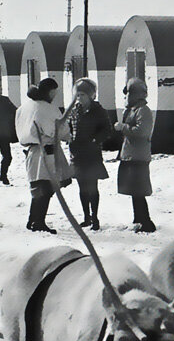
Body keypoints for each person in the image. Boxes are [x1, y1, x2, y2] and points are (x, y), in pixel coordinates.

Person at [15, 77, 74, 233]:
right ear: (50, 91)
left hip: (31, 150)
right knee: (46, 187)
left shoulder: (23, 107)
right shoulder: (46, 108)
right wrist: (68, 136)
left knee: (37, 186)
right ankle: (38, 221)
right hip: (46, 151)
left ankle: (32, 219)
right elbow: (57, 130)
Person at [67, 77, 110, 231]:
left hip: (91, 154)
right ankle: (86, 217)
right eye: (77, 95)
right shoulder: (74, 111)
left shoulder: (99, 111)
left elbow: (106, 130)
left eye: (83, 95)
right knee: (82, 187)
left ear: (91, 95)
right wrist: (69, 139)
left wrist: (95, 140)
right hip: (77, 154)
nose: (79, 98)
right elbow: (69, 127)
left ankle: (95, 217)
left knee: (92, 187)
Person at [115, 77, 156, 233]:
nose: (126, 97)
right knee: (134, 190)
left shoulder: (143, 110)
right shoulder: (134, 109)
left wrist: (123, 127)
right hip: (132, 154)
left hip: (138, 156)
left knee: (139, 190)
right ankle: (138, 218)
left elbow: (142, 131)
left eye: (128, 93)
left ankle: (146, 221)